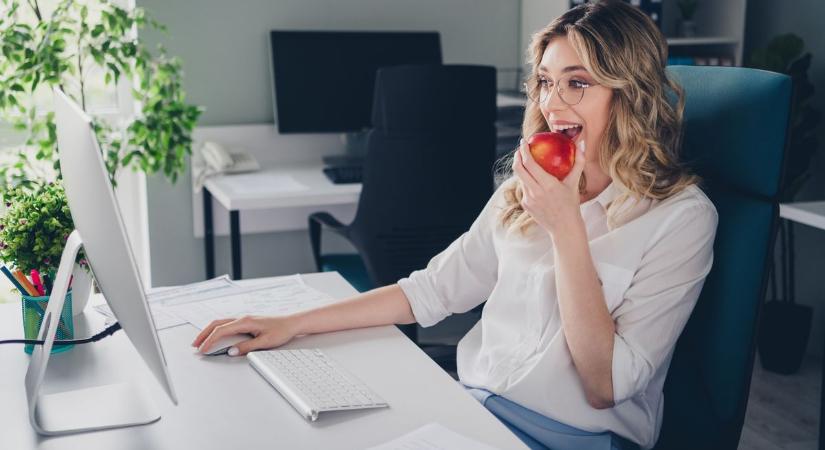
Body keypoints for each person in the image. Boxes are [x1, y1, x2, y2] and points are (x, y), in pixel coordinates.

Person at [192, 1, 718, 449]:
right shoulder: (525, 186)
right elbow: (431, 290)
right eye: (545, 83)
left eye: (577, 83)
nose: (552, 104)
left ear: (629, 96)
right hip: (475, 411)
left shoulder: (681, 218)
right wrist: (293, 323)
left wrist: (566, 230)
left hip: (569, 436)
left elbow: (605, 385)